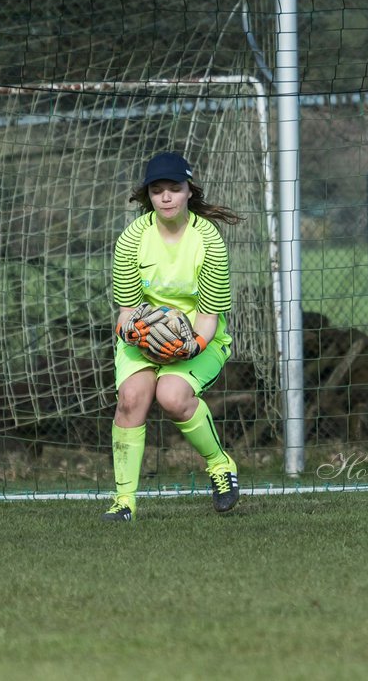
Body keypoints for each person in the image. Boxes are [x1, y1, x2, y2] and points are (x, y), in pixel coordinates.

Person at [106, 151, 243, 522]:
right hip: (144, 337)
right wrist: (135, 333)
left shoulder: (208, 240)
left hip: (199, 336)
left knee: (171, 395)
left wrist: (187, 347)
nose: (166, 197)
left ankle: (219, 465)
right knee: (131, 398)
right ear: (147, 195)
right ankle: (124, 503)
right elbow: (124, 314)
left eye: (174, 188)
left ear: (188, 192)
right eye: (157, 190)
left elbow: (210, 317)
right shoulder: (132, 238)